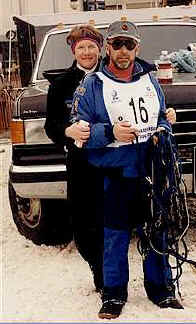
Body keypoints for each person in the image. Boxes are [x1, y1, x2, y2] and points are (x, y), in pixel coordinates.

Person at [71, 20, 183, 319]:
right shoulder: (93, 84)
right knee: (115, 235)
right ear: (108, 47)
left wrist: (162, 128)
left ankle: (162, 289)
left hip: (150, 168)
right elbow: (77, 128)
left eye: (129, 44)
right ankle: (113, 294)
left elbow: (160, 115)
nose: (123, 51)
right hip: (115, 172)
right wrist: (109, 133)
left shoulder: (150, 79)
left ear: (137, 48)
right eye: (117, 44)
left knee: (156, 229)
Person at [44, 24, 104, 293]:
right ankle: (96, 266)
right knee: (84, 219)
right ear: (74, 50)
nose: (87, 52)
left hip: (113, 159)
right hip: (81, 163)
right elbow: (51, 125)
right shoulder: (61, 84)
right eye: (81, 47)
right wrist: (67, 130)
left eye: (91, 46)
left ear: (99, 48)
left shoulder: (113, 76)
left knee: (114, 216)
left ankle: (111, 275)